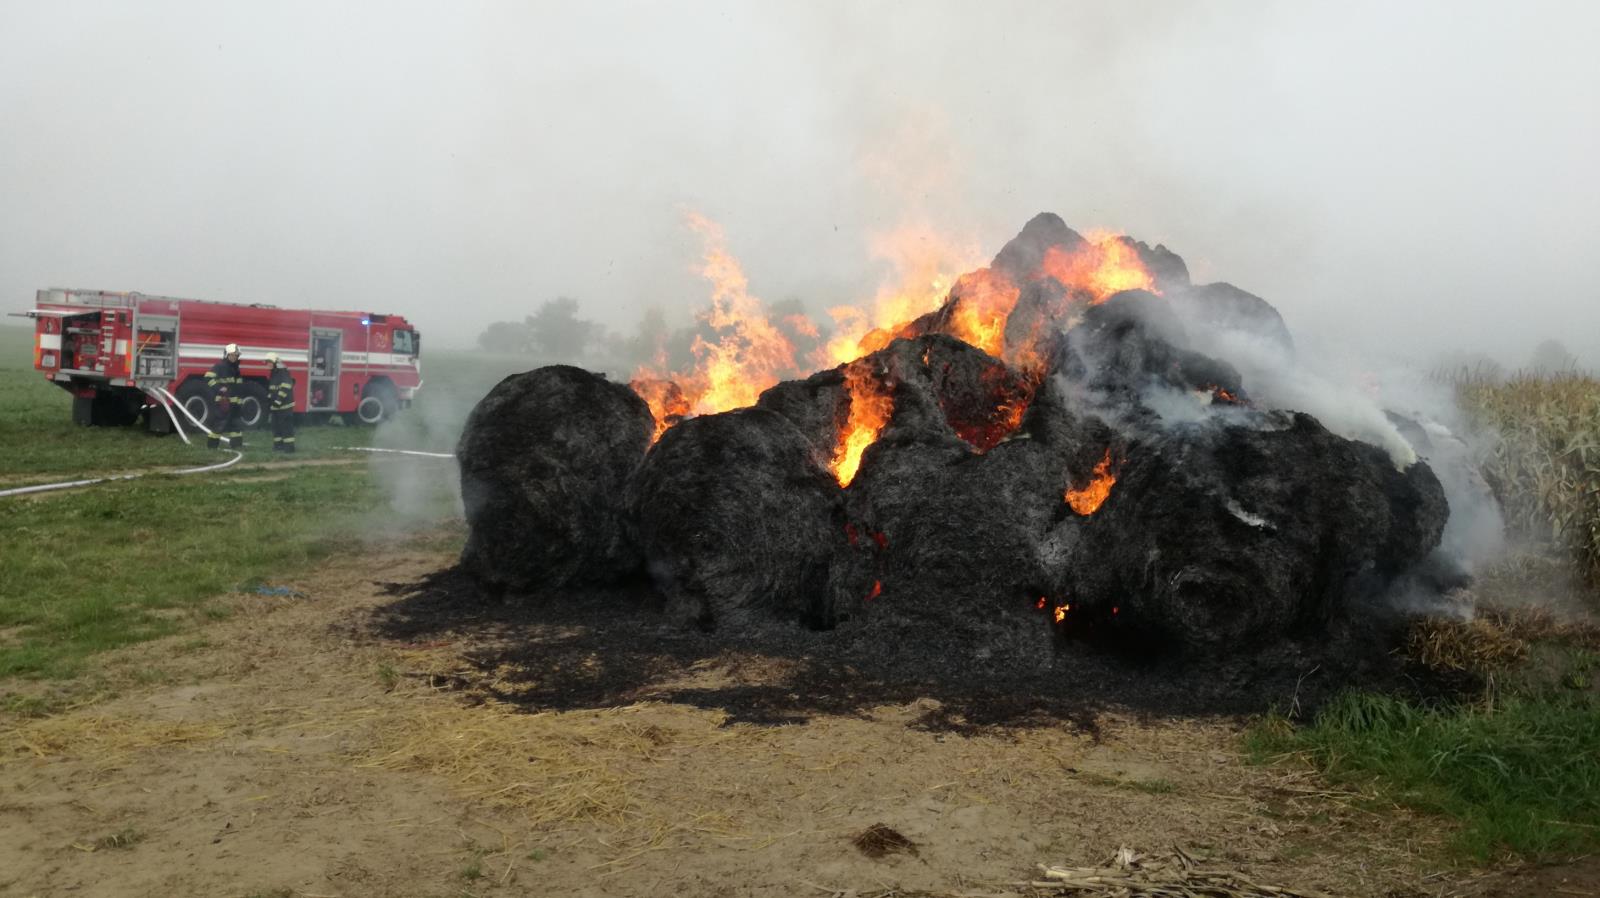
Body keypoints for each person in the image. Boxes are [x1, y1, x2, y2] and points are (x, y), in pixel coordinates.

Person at [204, 343, 245, 449]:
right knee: (219, 425)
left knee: (236, 426)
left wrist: (240, 401)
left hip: (235, 403)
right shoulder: (220, 366)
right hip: (223, 402)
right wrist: (218, 388)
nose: (234, 357)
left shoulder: (236, 369)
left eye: (236, 355)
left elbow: (238, 387)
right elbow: (208, 378)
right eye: (231, 355)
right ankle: (212, 447)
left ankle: (236, 446)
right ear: (226, 355)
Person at [266, 352, 296, 453]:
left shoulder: (283, 372)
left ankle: (289, 448)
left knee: (286, 428)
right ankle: (278, 446)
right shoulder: (273, 373)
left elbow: (286, 387)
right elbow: (272, 389)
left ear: (275, 362)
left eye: (269, 362)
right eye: (267, 362)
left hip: (285, 406)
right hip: (276, 407)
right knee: (276, 428)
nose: (268, 365)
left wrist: (278, 400)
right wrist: (270, 399)